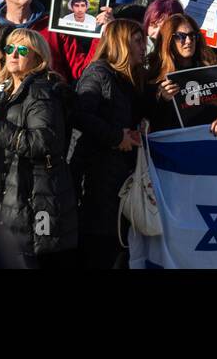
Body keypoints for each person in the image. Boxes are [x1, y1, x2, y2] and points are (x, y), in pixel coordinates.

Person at [0, 28, 79, 268]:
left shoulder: (39, 92)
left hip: (36, 196)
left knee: (29, 259)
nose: (13, 55)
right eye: (9, 49)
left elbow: (44, 142)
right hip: (17, 192)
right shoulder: (12, 90)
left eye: (22, 50)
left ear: (37, 58)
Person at [71, 19, 145, 269]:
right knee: (101, 253)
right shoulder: (98, 73)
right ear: (121, 43)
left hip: (117, 178)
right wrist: (117, 137)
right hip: (95, 180)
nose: (144, 46)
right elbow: (81, 115)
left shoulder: (128, 78)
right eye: (138, 40)